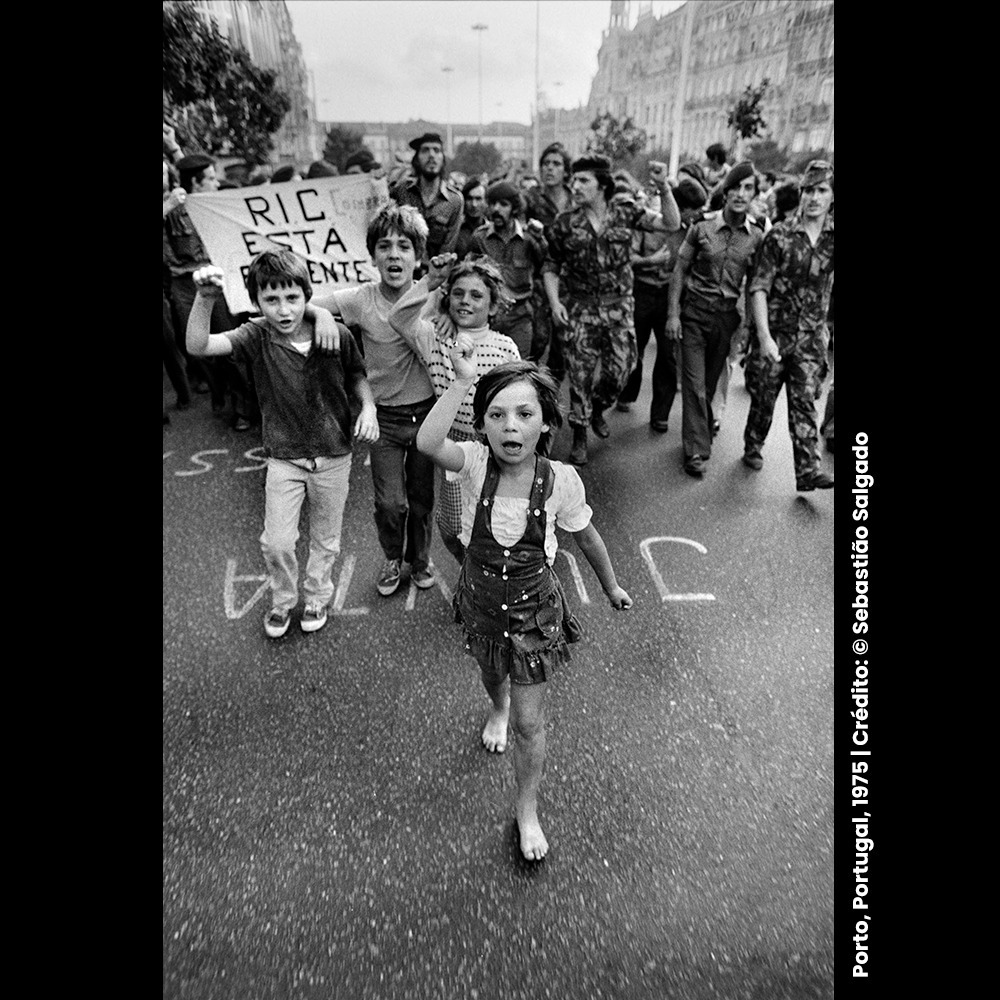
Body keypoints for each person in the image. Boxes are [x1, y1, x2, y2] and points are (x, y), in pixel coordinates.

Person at [416, 350, 633, 861]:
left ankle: (526, 809)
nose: (510, 426)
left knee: (530, 724)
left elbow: (589, 538)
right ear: (483, 424)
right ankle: (497, 705)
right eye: (497, 415)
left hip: (535, 614)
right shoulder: (470, 463)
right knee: (493, 679)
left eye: (524, 414)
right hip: (485, 607)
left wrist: (611, 586)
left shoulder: (562, 480)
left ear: (545, 423)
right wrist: (462, 383)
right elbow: (427, 442)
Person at [186, 250, 379, 637]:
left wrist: (369, 408)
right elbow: (199, 346)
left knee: (326, 539)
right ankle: (282, 600)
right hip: (284, 458)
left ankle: (317, 595)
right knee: (276, 542)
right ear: (256, 302)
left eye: (292, 298)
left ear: (307, 295)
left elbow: (356, 374)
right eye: (271, 300)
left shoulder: (334, 333)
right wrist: (205, 299)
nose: (283, 309)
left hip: (334, 453)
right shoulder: (256, 336)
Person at [307, 204, 440, 596]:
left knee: (421, 499)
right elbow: (307, 304)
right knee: (389, 503)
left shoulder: (432, 296)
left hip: (427, 415)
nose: (394, 254)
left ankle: (420, 559)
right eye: (385, 246)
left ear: (419, 257)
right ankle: (391, 557)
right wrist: (324, 318)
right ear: (373, 255)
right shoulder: (361, 299)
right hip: (383, 419)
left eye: (404, 246)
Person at [542, 155, 680, 465]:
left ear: (602, 185)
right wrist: (555, 303)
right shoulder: (566, 223)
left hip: (618, 309)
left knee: (623, 369)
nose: (575, 186)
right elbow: (551, 266)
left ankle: (599, 409)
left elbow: (671, 224)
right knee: (578, 375)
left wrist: (664, 188)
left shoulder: (626, 213)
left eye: (583, 181)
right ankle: (579, 435)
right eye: (574, 181)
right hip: (579, 309)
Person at [388, 256, 522, 564]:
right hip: (454, 446)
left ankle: (487, 578)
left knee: (493, 521)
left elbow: (517, 400)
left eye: (476, 296)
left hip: (494, 445)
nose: (465, 301)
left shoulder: (505, 347)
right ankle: (470, 565)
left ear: (492, 306)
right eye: (458, 293)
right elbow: (398, 317)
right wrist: (432, 284)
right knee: (451, 525)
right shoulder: (434, 337)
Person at [742, 160, 835, 492]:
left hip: (811, 339)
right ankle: (753, 444)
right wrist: (764, 337)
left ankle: (808, 470)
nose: (814, 197)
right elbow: (759, 287)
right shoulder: (780, 235)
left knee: (805, 401)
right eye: (809, 190)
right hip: (776, 335)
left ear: (831, 196)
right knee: (764, 398)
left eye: (822, 190)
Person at [666, 162, 764, 477]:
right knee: (694, 384)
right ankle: (696, 450)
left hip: (726, 320)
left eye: (748, 188)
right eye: (735, 187)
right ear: (725, 191)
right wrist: (673, 314)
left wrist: (749, 327)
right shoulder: (701, 227)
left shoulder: (756, 237)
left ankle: (700, 429)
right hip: (694, 314)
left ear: (754, 195)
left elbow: (755, 287)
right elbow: (679, 270)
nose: (740, 194)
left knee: (708, 386)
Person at [165, 153, 254, 430]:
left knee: (228, 344)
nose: (217, 184)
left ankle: (242, 408)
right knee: (196, 347)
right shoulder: (170, 208)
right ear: (196, 183)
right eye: (211, 179)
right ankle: (219, 392)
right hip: (184, 285)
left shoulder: (218, 202)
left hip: (217, 279)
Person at [614, 165, 681, 431]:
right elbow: (626, 258)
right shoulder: (639, 224)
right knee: (635, 348)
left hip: (666, 295)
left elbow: (673, 225)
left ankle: (660, 414)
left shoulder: (677, 224)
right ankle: (627, 393)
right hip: (641, 291)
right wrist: (648, 260)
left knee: (667, 355)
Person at [470, 181, 548, 358]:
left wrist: (541, 239)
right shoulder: (480, 238)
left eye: (503, 204)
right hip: (488, 317)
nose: (496, 209)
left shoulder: (529, 238)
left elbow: (545, 264)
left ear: (514, 208)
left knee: (519, 369)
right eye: (493, 204)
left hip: (519, 317)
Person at [526, 143, 574, 374]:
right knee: (538, 338)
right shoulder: (530, 199)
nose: (550, 169)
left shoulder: (577, 199)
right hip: (537, 277)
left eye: (556, 164)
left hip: (571, 279)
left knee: (563, 343)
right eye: (546, 164)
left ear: (566, 170)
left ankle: (552, 392)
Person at [390, 132, 463, 266]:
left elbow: (448, 246)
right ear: (417, 159)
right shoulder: (401, 192)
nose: (431, 155)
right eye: (425, 150)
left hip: (436, 274)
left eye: (436, 150)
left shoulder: (454, 200)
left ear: (443, 158)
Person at [455, 178, 487, 260]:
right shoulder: (455, 229)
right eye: (469, 199)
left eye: (478, 199)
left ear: (486, 201)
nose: (474, 205)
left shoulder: (490, 231)